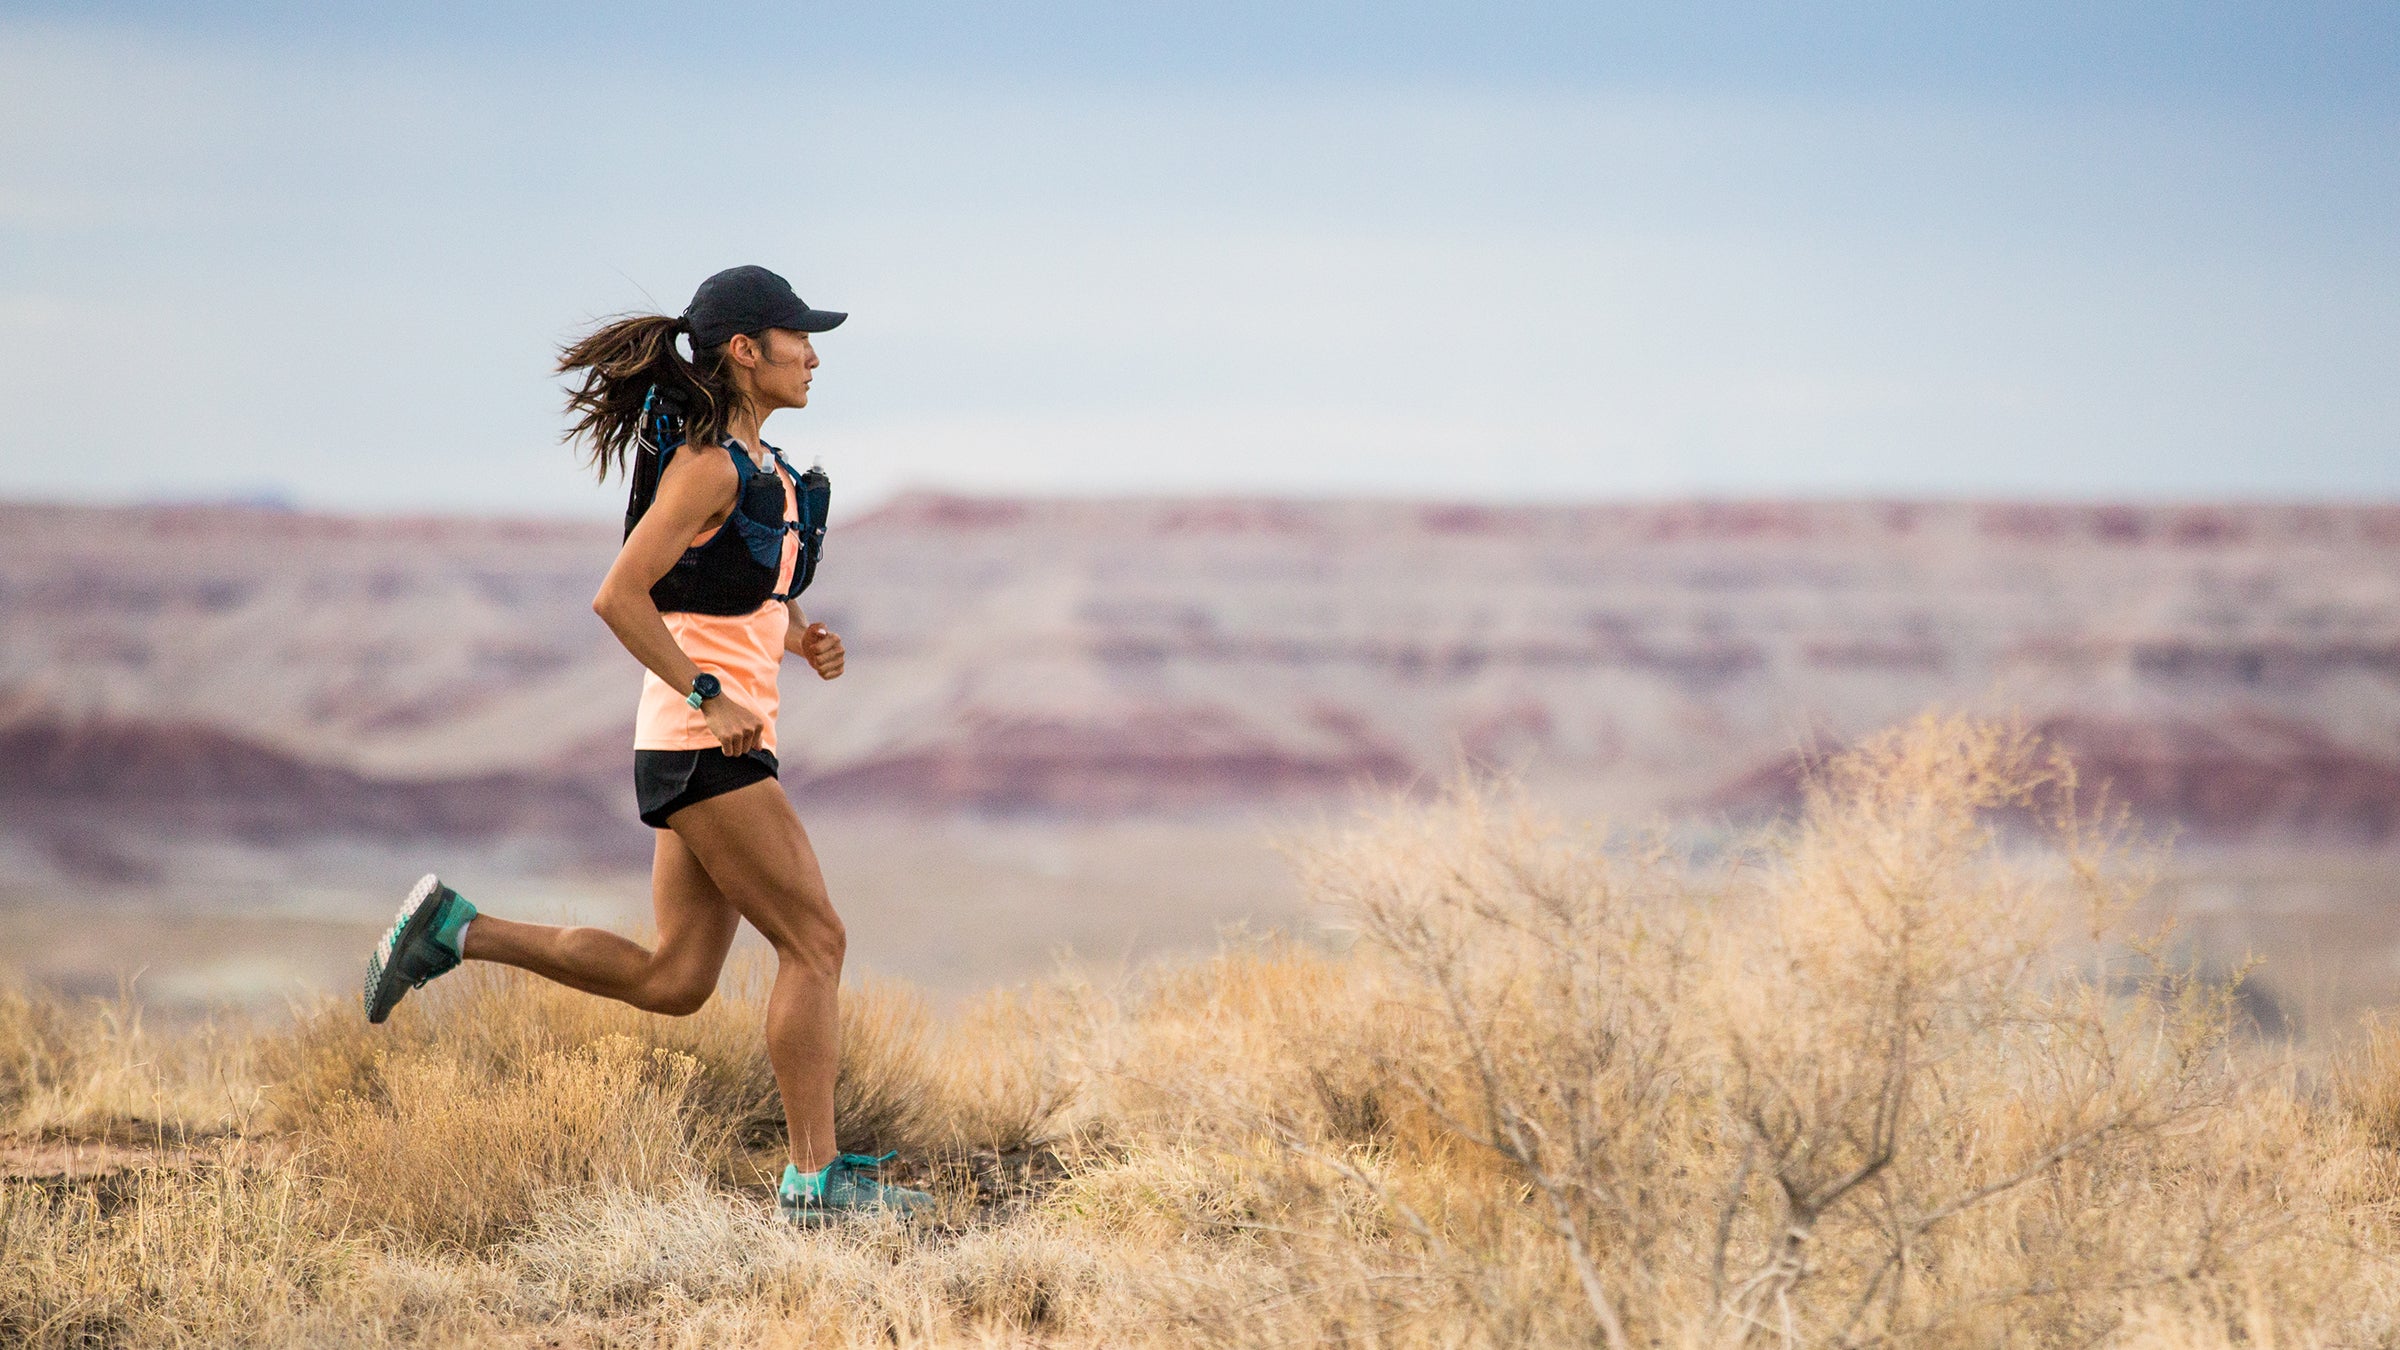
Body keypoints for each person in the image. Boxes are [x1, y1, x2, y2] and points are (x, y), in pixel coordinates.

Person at [360, 265, 929, 1227]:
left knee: (675, 981)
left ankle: (455, 929)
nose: (813, 355)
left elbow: (737, 591)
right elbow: (619, 596)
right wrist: (707, 693)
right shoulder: (707, 468)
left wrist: (801, 639)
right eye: (798, 338)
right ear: (745, 350)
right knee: (816, 942)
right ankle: (814, 1182)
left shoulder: (769, 471)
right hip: (703, 744)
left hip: (714, 743)